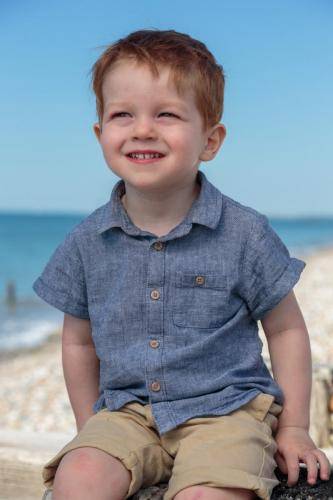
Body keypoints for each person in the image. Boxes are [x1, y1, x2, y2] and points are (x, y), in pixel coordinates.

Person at [33, 29, 331, 500]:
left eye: (166, 114)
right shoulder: (86, 241)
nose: (142, 129)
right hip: (126, 413)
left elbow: (286, 330)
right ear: (100, 133)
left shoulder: (245, 233)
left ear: (210, 140)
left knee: (209, 494)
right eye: (122, 114)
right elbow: (79, 341)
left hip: (227, 412)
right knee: (81, 475)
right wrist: (88, 429)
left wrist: (294, 428)